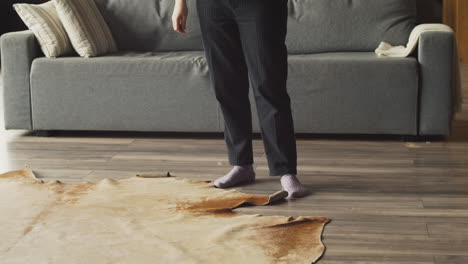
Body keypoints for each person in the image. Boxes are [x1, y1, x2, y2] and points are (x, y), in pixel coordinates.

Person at [172, 0, 308, 198]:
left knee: (269, 84)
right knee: (226, 85)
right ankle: (241, 164)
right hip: (212, 6)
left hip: (260, 5)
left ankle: (285, 170)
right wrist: (180, 3)